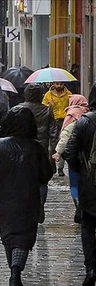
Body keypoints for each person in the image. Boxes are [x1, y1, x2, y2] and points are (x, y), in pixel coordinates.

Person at [0, 105, 52, 286]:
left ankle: (14, 271)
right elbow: (46, 174)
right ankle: (16, 271)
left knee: (9, 237)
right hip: (28, 199)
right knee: (23, 238)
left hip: (4, 199)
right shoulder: (36, 147)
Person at [64, 83, 96, 286]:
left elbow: (70, 151)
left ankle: (91, 268)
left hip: (90, 182)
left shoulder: (84, 122)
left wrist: (81, 171)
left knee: (88, 225)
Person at [20, 83, 55, 222]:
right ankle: (40, 203)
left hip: (23, 149)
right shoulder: (47, 111)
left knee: (24, 178)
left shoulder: (19, 109)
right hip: (42, 148)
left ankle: (28, 205)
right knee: (42, 179)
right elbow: (53, 134)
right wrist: (54, 152)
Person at [54, 94, 90, 223]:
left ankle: (78, 205)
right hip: (87, 156)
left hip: (74, 156)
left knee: (74, 182)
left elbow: (65, 136)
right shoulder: (88, 114)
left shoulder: (72, 114)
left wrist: (58, 152)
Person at [43, 81, 71, 176]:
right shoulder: (48, 95)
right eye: (57, 84)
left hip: (65, 120)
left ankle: (60, 168)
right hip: (53, 121)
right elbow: (43, 109)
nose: (59, 86)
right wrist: (49, 105)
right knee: (52, 145)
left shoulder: (68, 94)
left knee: (63, 143)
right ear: (53, 84)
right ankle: (52, 167)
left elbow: (71, 107)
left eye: (61, 84)